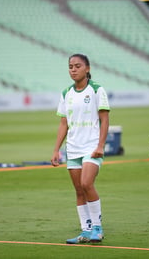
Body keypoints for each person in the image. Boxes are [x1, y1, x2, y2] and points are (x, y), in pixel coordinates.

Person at [51, 54, 110, 244]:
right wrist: (56, 150)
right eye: (70, 66)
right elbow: (63, 124)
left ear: (87, 68)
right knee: (78, 190)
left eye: (77, 66)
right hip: (73, 148)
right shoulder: (66, 93)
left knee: (86, 184)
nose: (73, 69)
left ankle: (98, 229)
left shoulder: (96, 90)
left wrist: (101, 145)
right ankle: (85, 231)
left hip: (92, 147)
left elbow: (104, 119)